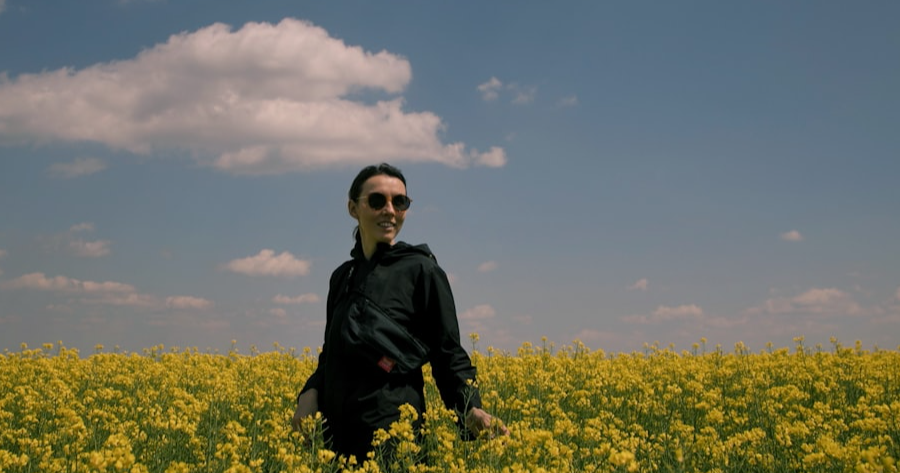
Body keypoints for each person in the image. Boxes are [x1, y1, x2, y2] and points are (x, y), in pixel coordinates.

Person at [292, 163, 508, 461]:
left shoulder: (421, 270)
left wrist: (470, 408)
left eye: (400, 201)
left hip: (394, 440)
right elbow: (332, 353)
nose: (390, 210)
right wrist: (310, 393)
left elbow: (447, 352)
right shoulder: (343, 276)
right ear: (353, 208)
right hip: (336, 443)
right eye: (377, 201)